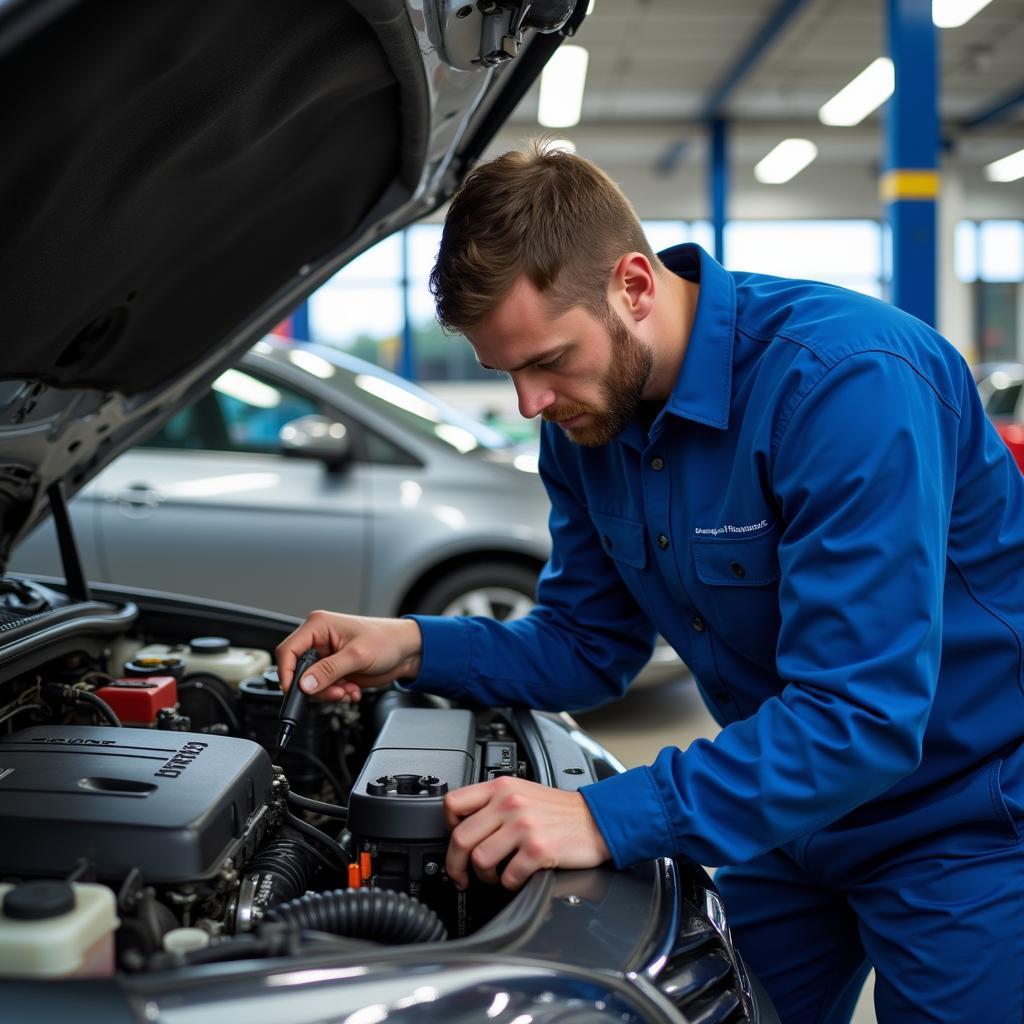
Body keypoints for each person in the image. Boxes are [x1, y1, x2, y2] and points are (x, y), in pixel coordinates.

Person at [278, 143, 1024, 1023]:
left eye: (549, 360)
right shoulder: (586, 419)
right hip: (784, 817)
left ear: (635, 286)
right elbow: (585, 645)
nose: (529, 404)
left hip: (965, 824)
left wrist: (603, 815)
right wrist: (409, 644)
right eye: (507, 373)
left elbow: (860, 718)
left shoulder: (847, 386)